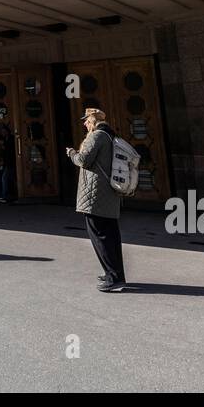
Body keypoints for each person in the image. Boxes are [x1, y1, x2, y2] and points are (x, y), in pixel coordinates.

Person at [66, 108, 126, 293]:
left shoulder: (96, 136)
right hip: (108, 194)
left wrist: (72, 154)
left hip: (95, 195)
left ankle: (112, 277)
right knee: (111, 235)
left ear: (93, 120)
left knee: (100, 235)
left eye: (86, 120)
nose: (85, 124)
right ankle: (116, 274)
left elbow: (84, 160)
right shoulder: (109, 136)